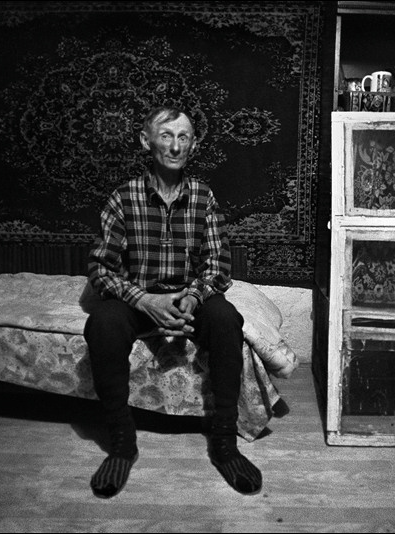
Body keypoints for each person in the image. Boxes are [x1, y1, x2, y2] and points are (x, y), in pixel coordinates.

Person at [84, 105, 262, 498]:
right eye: (166, 135)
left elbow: (218, 264)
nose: (175, 145)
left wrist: (193, 299)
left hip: (188, 297)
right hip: (138, 298)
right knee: (103, 322)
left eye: (184, 137)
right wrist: (144, 300)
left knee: (227, 318)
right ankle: (121, 444)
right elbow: (100, 270)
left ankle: (224, 444)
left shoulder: (202, 196)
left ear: (194, 145)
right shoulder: (123, 198)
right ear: (146, 141)